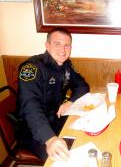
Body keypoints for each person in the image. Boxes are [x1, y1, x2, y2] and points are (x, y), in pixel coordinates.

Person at [17, 27, 90, 162]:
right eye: (57, 44)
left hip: (55, 119)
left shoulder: (66, 65)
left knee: (85, 133)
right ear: (47, 45)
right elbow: (30, 107)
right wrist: (49, 138)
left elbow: (83, 86)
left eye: (67, 45)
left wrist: (71, 101)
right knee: (62, 160)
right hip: (33, 130)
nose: (63, 50)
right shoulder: (32, 68)